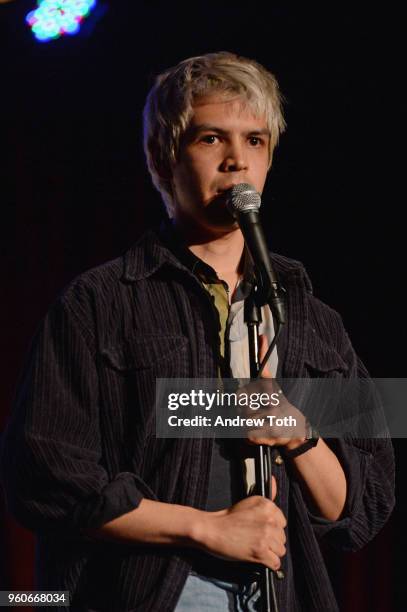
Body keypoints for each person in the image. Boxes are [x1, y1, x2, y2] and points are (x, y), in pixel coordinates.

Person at [0, 52, 395, 611]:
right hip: (156, 592)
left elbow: (366, 501)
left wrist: (300, 435)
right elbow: (43, 477)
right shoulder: (100, 302)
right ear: (162, 161)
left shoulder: (312, 318)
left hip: (284, 594)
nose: (237, 160)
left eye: (255, 141)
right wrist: (207, 529)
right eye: (212, 139)